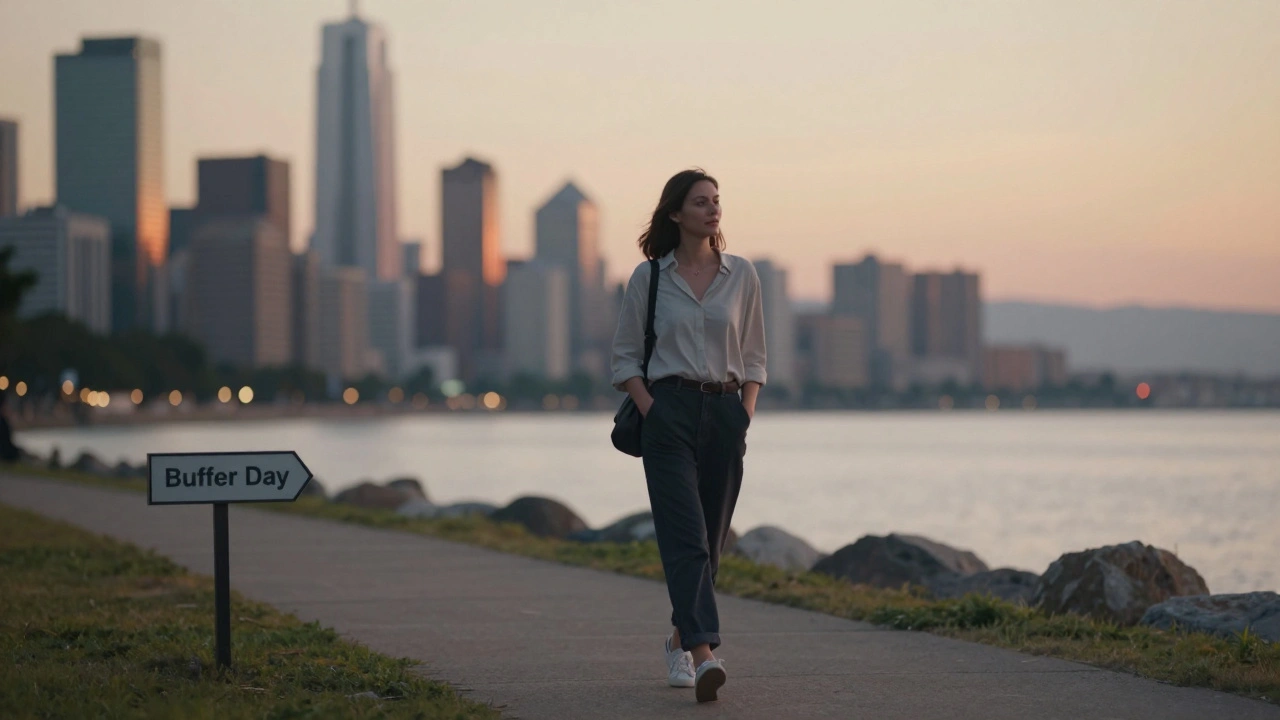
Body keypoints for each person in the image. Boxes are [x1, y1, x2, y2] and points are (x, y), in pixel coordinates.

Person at [610, 168, 766, 703]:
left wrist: (743, 414)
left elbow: (754, 358)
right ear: (675, 213)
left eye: (717, 201)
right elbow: (625, 360)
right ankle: (705, 658)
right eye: (701, 202)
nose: (713, 209)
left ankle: (679, 638)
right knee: (684, 538)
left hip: (725, 411)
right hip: (668, 411)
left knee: (711, 542)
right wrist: (654, 410)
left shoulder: (742, 275)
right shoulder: (648, 278)